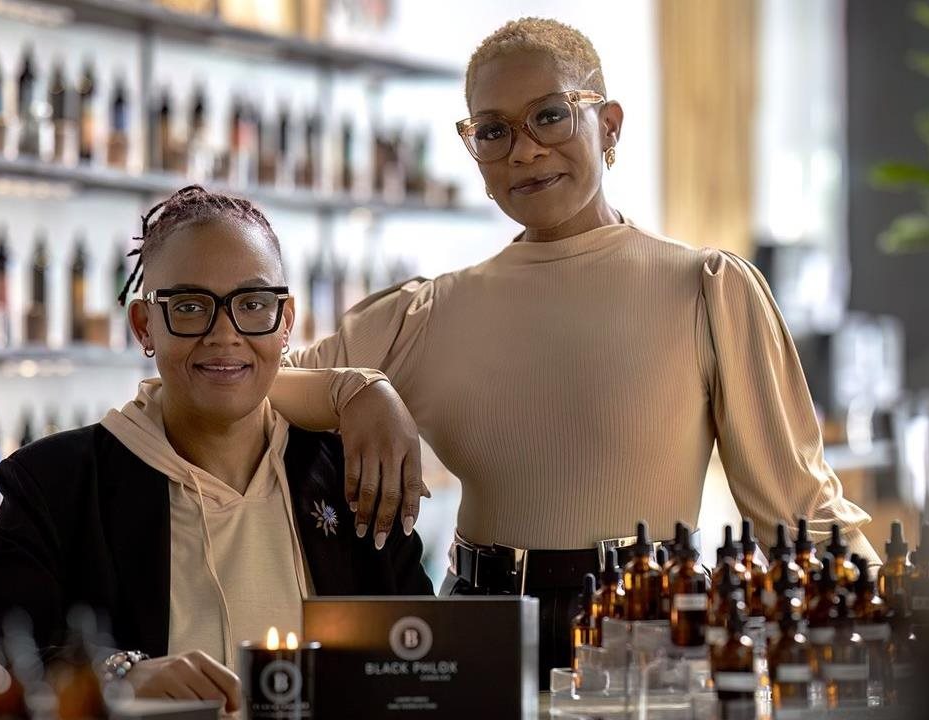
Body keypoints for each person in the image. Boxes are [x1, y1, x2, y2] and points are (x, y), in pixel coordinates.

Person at [285, 17, 879, 679]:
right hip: (478, 638)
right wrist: (357, 388)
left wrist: (891, 627)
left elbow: (797, 513)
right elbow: (253, 382)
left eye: (549, 116)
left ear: (611, 125)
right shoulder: (426, 314)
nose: (524, 150)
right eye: (493, 131)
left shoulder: (707, 291)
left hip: (648, 635)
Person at [0, 186, 432, 712]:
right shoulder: (58, 485)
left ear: (285, 321)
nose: (225, 334)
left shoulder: (347, 474)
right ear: (144, 326)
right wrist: (119, 676)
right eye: (192, 307)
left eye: (253, 304)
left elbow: (426, 663)